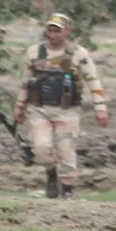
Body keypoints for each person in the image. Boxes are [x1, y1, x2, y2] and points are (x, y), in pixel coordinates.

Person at [14, 13, 108, 200]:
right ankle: (51, 173)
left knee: (66, 150)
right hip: (40, 109)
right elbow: (25, 81)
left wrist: (100, 107)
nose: (53, 34)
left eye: (57, 30)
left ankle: (67, 190)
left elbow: (93, 80)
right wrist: (19, 105)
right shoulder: (35, 52)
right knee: (40, 148)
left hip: (67, 111)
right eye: (50, 29)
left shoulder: (78, 54)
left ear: (66, 31)